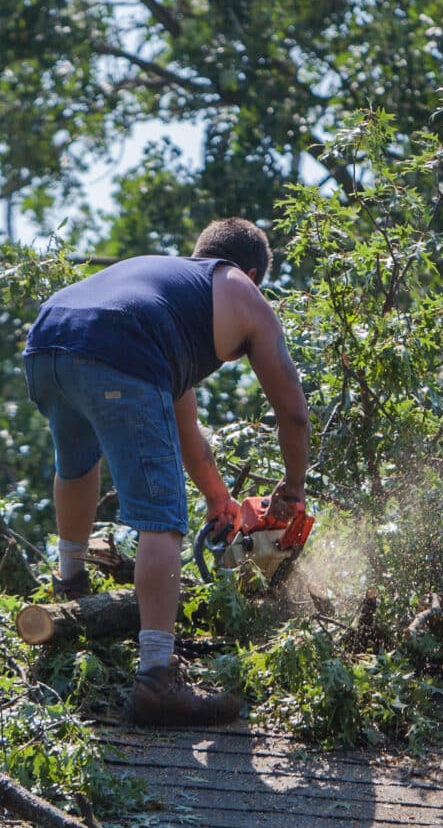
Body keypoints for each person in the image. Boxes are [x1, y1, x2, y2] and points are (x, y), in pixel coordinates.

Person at [24, 218, 309, 726]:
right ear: (250, 274)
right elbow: (293, 411)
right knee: (163, 516)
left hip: (48, 341)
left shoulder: (167, 295)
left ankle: (69, 583)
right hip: (116, 347)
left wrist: (219, 498)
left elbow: (186, 429)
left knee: (77, 463)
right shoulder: (239, 289)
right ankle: (156, 677)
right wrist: (294, 488)